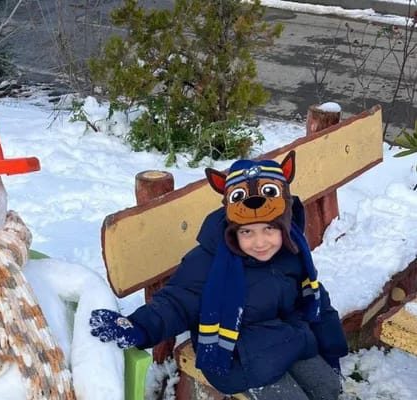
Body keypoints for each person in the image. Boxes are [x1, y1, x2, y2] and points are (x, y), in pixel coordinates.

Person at [89, 151, 349, 399]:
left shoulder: (291, 252)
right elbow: (178, 302)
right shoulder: (211, 261)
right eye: (247, 232)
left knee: (328, 388)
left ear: (284, 225)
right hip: (238, 355)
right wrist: (139, 326)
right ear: (232, 230)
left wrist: (331, 344)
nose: (260, 242)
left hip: (287, 338)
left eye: (269, 229)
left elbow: (315, 299)